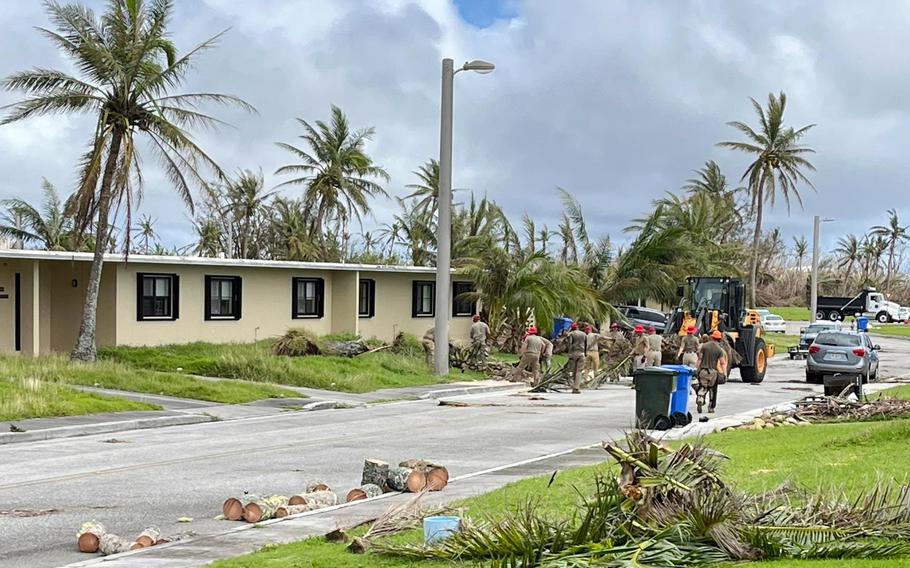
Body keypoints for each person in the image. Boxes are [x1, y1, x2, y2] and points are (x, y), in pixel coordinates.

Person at [694, 330, 728, 414]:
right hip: (713, 373)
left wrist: (696, 369)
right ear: (719, 339)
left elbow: (700, 359)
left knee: (703, 387)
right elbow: (723, 363)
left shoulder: (704, 346)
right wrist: (725, 374)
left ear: (712, 337)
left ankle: (700, 398)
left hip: (703, 371)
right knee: (713, 390)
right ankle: (711, 407)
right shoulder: (719, 350)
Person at [564, 323, 588, 393]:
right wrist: (585, 353)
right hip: (581, 353)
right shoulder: (584, 334)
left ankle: (573, 385)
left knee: (573, 370)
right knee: (579, 371)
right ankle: (576, 387)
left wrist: (569, 352)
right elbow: (586, 345)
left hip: (573, 353)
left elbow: (570, 344)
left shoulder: (571, 334)